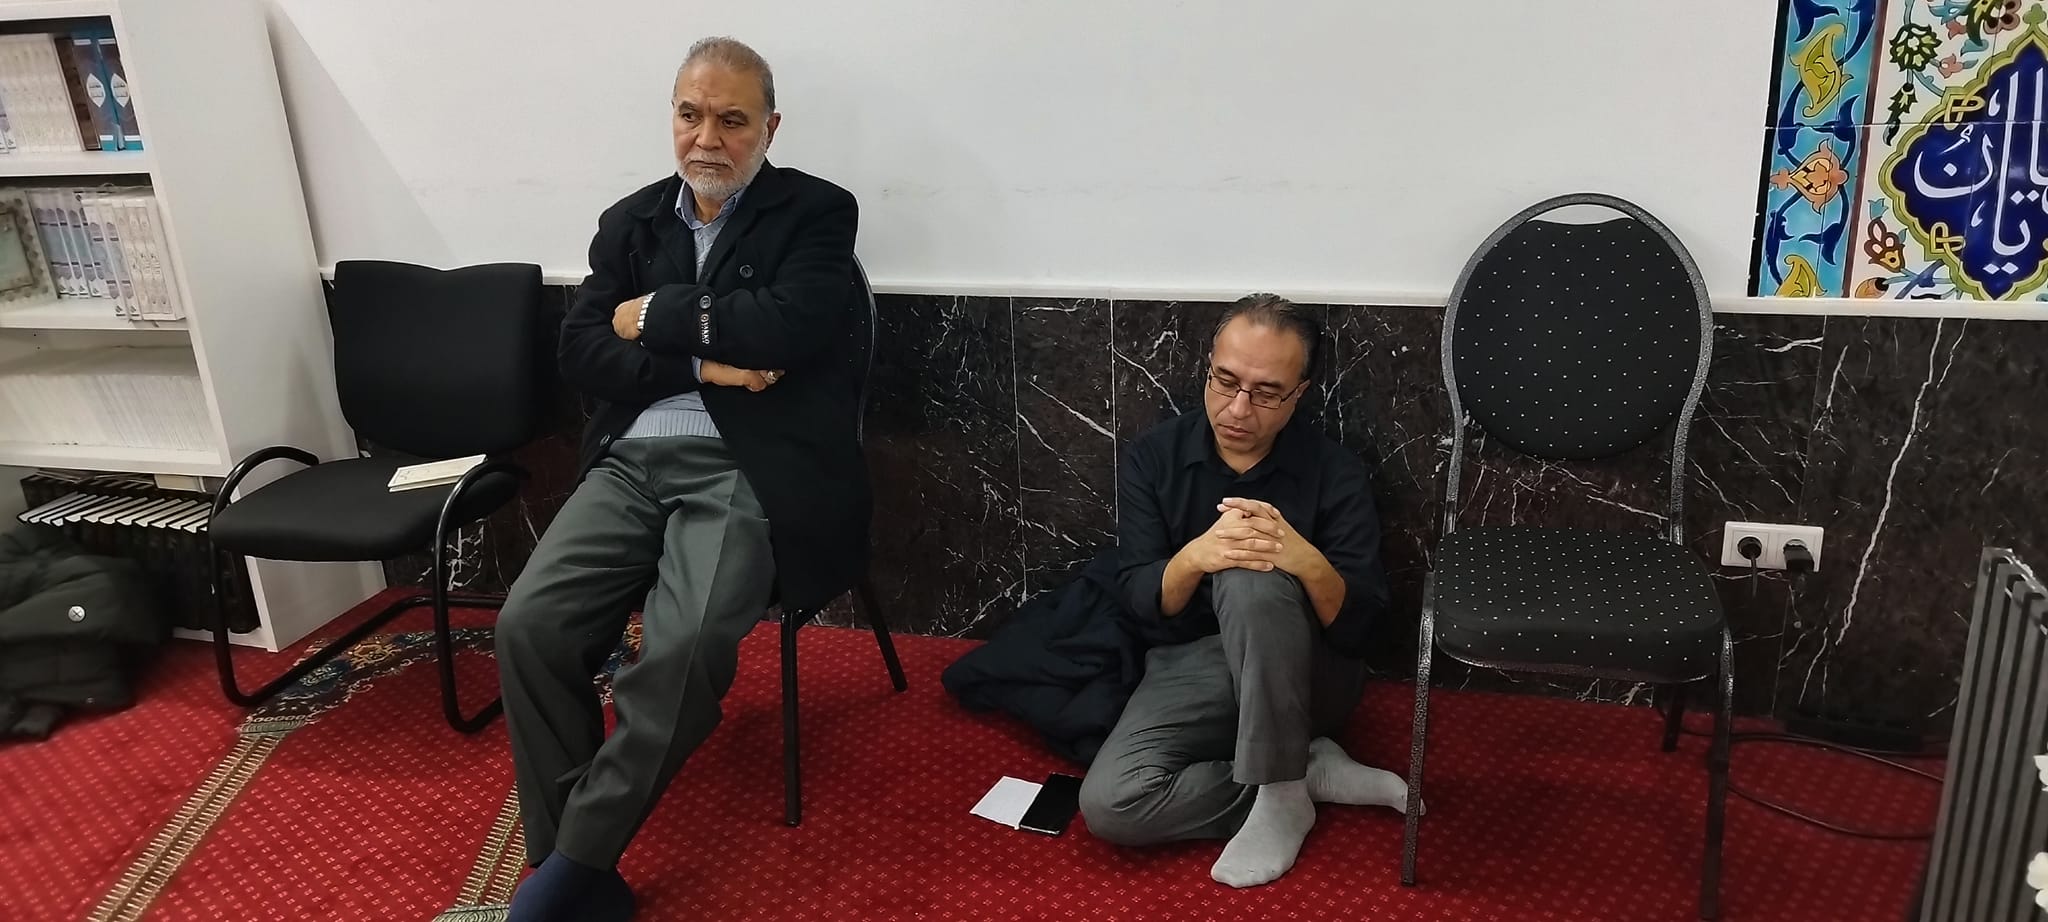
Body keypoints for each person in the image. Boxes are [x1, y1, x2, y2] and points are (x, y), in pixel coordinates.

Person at [494, 36, 866, 922]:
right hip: (631, 458)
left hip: (748, 462)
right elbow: (582, 353)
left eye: (732, 120)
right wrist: (706, 366)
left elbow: (788, 328)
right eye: (691, 115)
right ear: (672, 116)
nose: (708, 138)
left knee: (683, 649)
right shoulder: (630, 221)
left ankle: (569, 865)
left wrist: (655, 313)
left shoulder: (817, 211)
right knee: (528, 626)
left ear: (770, 127)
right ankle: (570, 860)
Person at [1077, 294, 1411, 888]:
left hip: (1307, 673)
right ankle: (1301, 773)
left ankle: (1280, 797)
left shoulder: (1334, 470)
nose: (1237, 408)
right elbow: (1139, 601)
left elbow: (1364, 629)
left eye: (1265, 393)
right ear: (1208, 367)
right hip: (1196, 667)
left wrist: (1305, 562)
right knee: (1113, 803)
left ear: (1299, 393)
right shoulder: (1154, 458)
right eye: (1225, 381)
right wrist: (1193, 558)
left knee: (1250, 572)